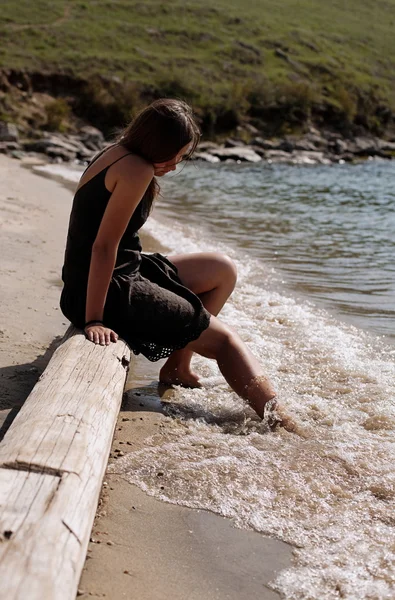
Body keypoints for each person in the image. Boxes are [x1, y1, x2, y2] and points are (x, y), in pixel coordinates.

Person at [60, 98, 285, 425]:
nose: (176, 165)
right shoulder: (137, 169)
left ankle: (178, 367)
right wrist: (94, 318)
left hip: (121, 270)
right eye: (177, 155)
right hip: (107, 288)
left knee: (222, 270)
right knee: (225, 342)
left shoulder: (118, 151)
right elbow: (103, 247)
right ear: (157, 144)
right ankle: (280, 421)